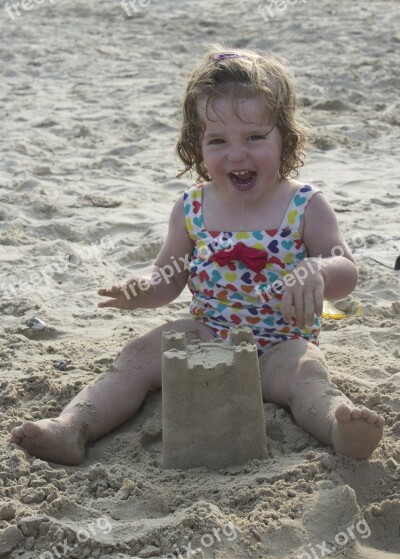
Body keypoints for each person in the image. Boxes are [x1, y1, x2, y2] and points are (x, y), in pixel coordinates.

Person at [10, 45, 384, 465]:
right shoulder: (192, 207)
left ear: (286, 137)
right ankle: (72, 425)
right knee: (136, 356)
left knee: (308, 376)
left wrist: (317, 269)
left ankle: (339, 426)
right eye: (218, 140)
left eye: (255, 137)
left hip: (281, 344)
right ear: (197, 145)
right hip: (208, 338)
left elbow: (347, 270)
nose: (237, 154)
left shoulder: (305, 204)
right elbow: (169, 276)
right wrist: (143, 289)